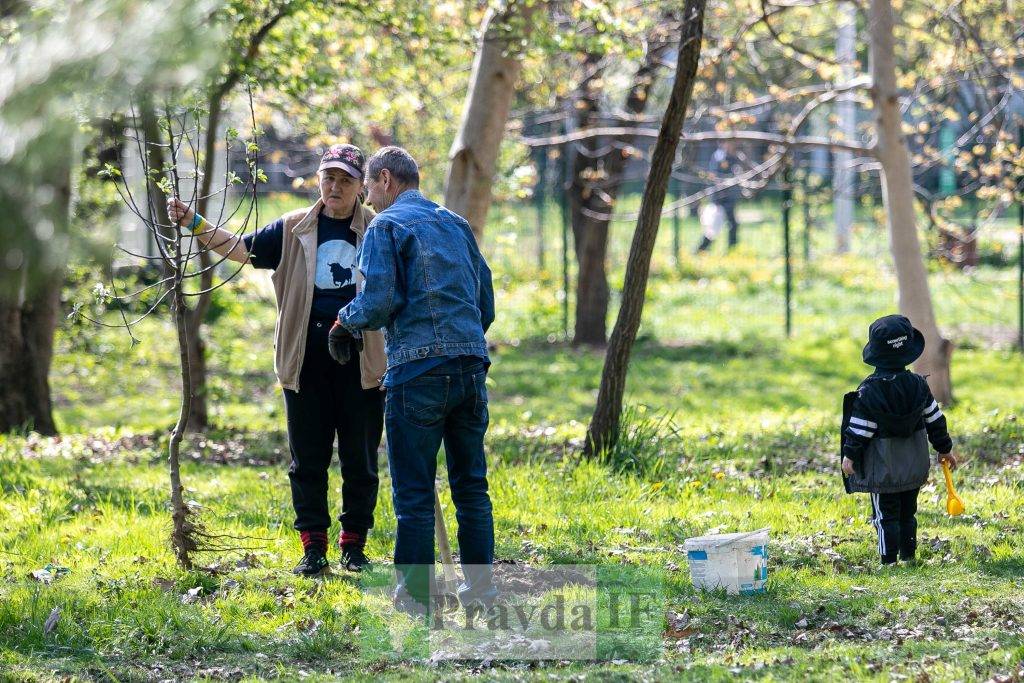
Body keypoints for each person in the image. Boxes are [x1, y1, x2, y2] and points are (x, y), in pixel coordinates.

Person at [167, 144, 386, 576]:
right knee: (307, 460)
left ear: (362, 187)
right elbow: (239, 248)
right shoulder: (293, 228)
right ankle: (313, 547)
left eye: (345, 180)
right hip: (304, 358)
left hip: (363, 360)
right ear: (319, 181)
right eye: (329, 178)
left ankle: (354, 546)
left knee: (360, 461)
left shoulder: (380, 230)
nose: (335, 187)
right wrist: (194, 222)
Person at [333, 146, 496, 611]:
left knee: (415, 490)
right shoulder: (457, 224)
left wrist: (345, 322)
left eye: (367, 187)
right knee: (471, 486)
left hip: (417, 374)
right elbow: (486, 302)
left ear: (385, 179)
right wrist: (460, 345)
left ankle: (418, 595)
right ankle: (481, 590)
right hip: (470, 369)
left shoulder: (386, 226)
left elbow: (379, 300)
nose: (367, 197)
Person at [840, 315, 958, 565]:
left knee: (885, 516)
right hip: (913, 464)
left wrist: (850, 455)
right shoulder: (918, 385)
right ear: (908, 353)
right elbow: (935, 420)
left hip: (883, 468)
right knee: (908, 513)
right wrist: (944, 449)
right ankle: (909, 556)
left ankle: (889, 560)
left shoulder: (869, 391)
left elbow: (861, 429)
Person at [696, 141, 743, 252]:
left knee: (732, 224)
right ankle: (701, 249)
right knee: (713, 227)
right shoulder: (720, 155)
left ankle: (732, 249)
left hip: (728, 197)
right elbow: (715, 176)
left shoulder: (733, 156)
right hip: (720, 198)